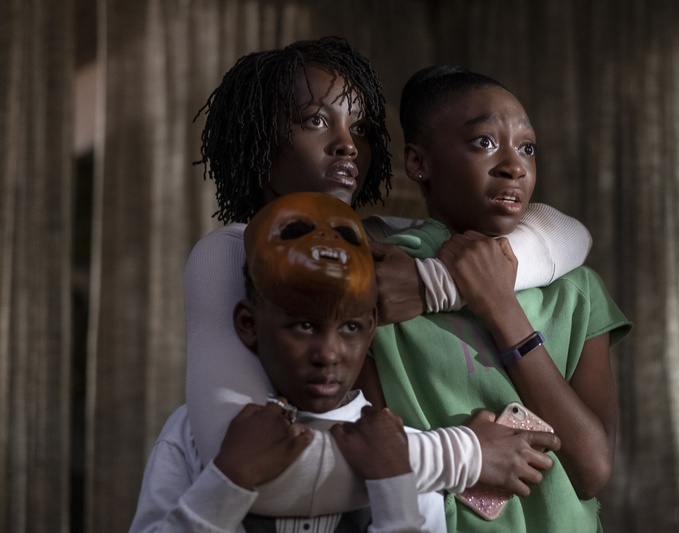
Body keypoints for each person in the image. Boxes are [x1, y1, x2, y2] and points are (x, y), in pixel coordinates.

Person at [185, 37, 591, 516]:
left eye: (359, 128)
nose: (347, 144)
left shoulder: (382, 242)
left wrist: (433, 284)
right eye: (316, 120)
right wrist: (466, 454)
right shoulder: (228, 252)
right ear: (257, 139)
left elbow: (569, 234)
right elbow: (249, 473)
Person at [132, 192, 510, 531]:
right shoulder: (194, 435)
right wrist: (227, 478)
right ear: (249, 324)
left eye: (350, 327)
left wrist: (393, 483)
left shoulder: (399, 448)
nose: (328, 354)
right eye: (304, 325)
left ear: (371, 327)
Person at [361, 66, 633, 532]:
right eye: (484, 142)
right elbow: (368, 456)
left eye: (527, 147)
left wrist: (502, 308)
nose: (514, 166)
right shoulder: (384, 280)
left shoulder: (577, 291)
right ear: (418, 162)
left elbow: (591, 471)